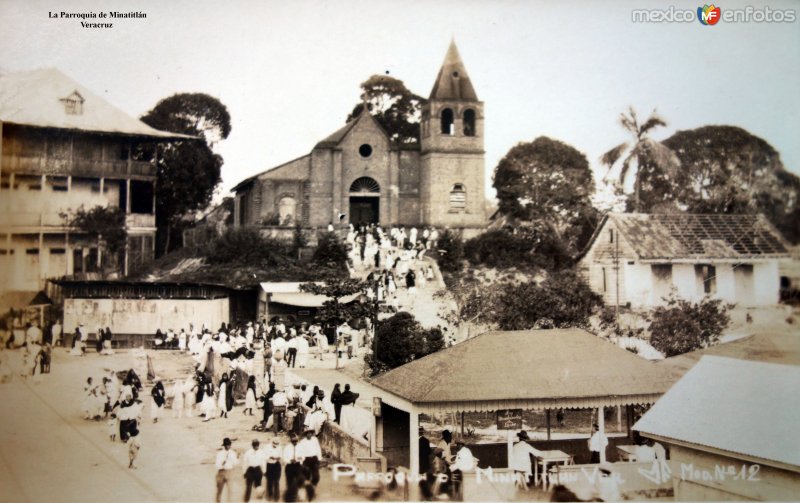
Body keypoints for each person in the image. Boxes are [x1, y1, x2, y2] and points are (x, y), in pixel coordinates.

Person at [215, 437, 239, 503]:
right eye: (226, 445)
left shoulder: (233, 453)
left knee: (230, 490)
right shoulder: (219, 453)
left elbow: (236, 463)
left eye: (229, 445)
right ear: (224, 445)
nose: (228, 446)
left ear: (230, 445)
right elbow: (217, 465)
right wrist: (222, 464)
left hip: (229, 472)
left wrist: (237, 458)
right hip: (221, 472)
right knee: (219, 490)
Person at [264, 437, 283, 501]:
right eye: (274, 444)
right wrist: (270, 457)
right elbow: (265, 457)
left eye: (276, 444)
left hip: (277, 465)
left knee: (276, 481)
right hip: (269, 465)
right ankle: (270, 495)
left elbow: (280, 456)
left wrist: (277, 458)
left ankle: (276, 497)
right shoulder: (267, 447)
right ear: (272, 443)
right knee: (269, 481)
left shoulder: (280, 447)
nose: (275, 445)